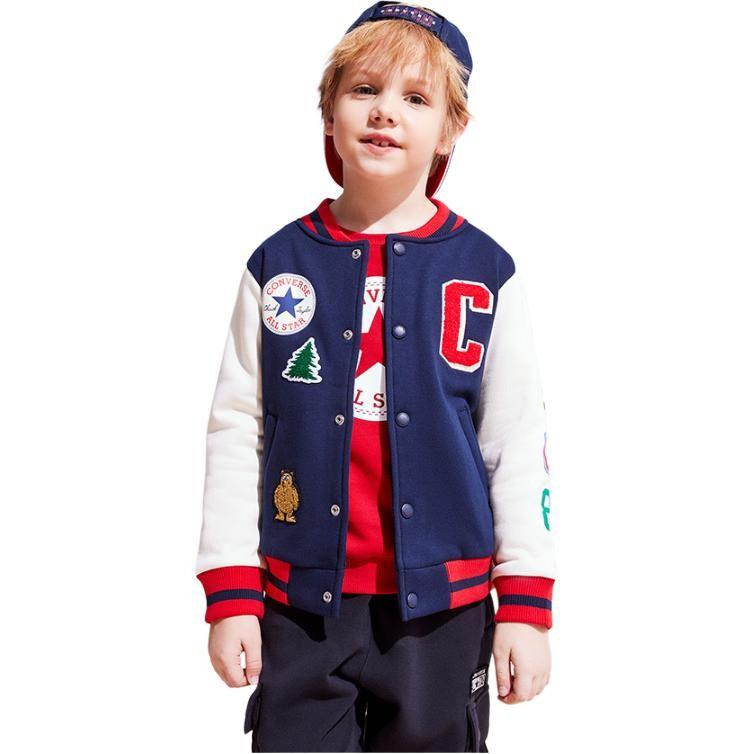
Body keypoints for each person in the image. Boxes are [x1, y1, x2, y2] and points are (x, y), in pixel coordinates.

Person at [195, 3, 556, 751]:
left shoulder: (486, 272)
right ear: (329, 113)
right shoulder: (278, 264)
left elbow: (515, 439)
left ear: (451, 130)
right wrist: (229, 590)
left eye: (416, 98)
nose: (385, 111)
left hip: (444, 611)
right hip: (299, 602)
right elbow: (237, 428)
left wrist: (525, 603)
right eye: (364, 90)